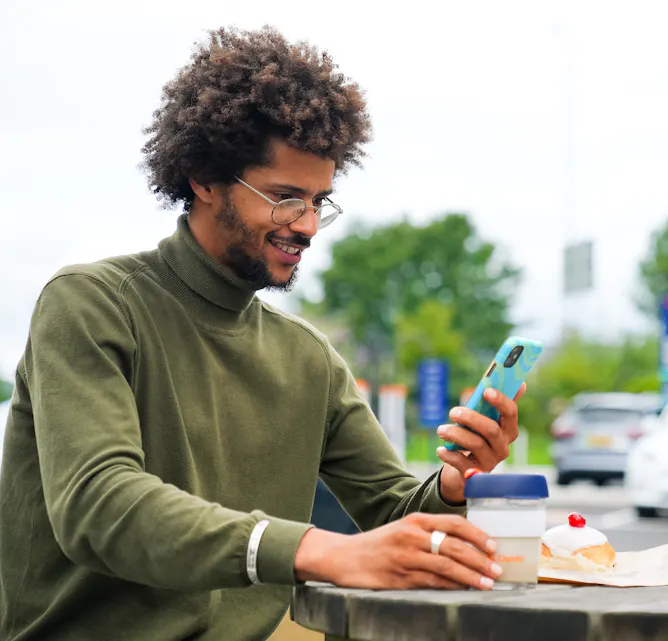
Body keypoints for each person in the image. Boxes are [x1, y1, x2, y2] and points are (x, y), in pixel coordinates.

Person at [0, 26, 525, 641]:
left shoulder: (307, 358)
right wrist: (317, 549)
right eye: (284, 197)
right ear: (204, 178)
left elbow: (395, 512)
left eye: (320, 201)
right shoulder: (92, 303)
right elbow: (100, 505)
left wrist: (455, 487)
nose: (308, 226)